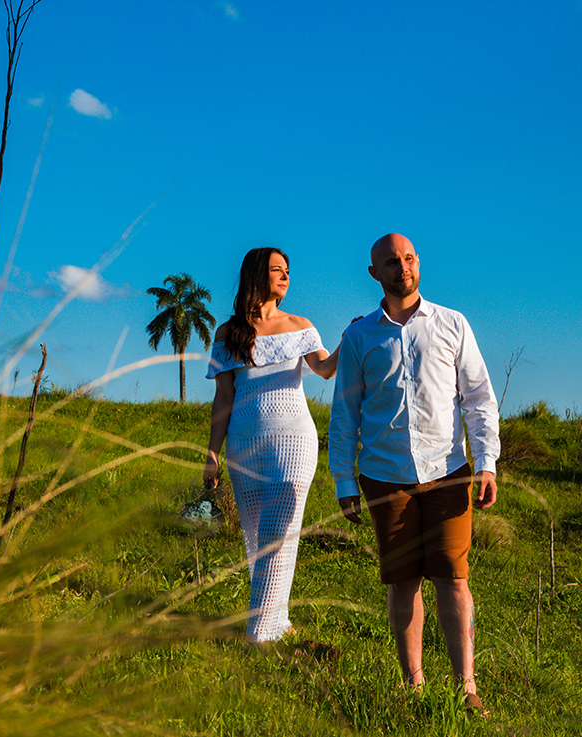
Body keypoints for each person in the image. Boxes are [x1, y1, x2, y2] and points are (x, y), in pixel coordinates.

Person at [329, 232, 500, 715]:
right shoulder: (359, 337)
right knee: (403, 583)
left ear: (417, 262)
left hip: (448, 473)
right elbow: (346, 417)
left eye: (408, 259)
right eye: (390, 262)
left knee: (454, 578)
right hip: (385, 477)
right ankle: (413, 686)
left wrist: (486, 463)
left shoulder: (452, 324)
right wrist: (344, 482)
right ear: (374, 273)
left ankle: (466, 688)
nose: (401, 268)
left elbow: (480, 399)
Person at [204, 246, 339, 642]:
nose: (285, 277)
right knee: (258, 537)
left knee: (277, 531)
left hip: (295, 440)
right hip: (244, 442)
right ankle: (276, 619)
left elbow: (326, 370)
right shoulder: (228, 334)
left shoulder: (300, 325)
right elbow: (223, 399)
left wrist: (351, 338)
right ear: (255, 276)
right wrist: (211, 454)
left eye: (287, 271)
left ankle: (257, 634)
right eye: (276, 270)